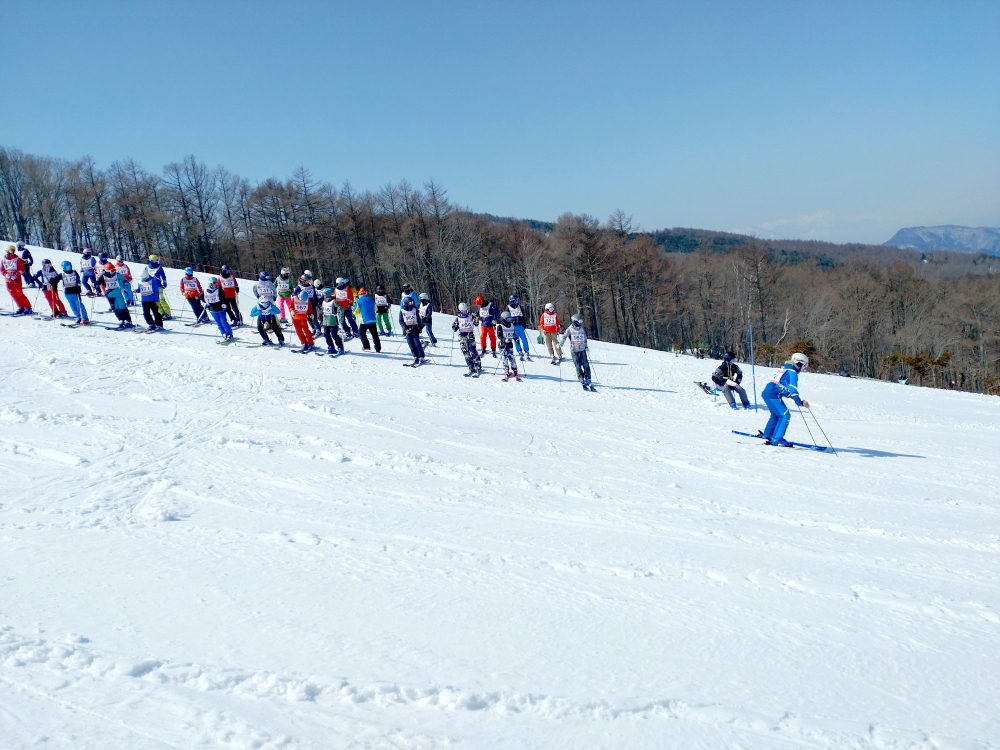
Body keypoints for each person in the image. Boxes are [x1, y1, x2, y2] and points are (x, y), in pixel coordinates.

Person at [760, 353, 810, 447]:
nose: (803, 369)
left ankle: (768, 435)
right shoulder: (792, 372)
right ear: (799, 364)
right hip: (772, 395)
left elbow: (782, 387)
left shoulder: (784, 368)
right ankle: (777, 438)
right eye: (804, 366)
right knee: (785, 415)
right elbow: (792, 389)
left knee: (776, 415)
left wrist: (794, 398)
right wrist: (799, 402)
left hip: (769, 393)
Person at [560, 314, 594, 391]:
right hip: (574, 350)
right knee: (578, 365)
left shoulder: (581, 329)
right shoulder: (570, 329)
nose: (580, 324)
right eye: (579, 322)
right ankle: (581, 378)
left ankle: (588, 378)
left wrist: (586, 347)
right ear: (575, 322)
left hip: (582, 349)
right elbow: (564, 336)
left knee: (586, 364)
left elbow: (584, 338)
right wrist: (561, 344)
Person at [451, 302, 482, 377]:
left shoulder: (471, 316)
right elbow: (454, 327)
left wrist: (476, 318)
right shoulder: (458, 318)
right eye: (463, 311)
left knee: (473, 351)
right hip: (462, 338)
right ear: (460, 311)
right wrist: (454, 326)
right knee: (466, 354)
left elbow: (476, 323)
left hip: (470, 337)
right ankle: (471, 367)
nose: (465, 313)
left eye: (466, 311)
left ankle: (478, 366)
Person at [100, 263, 134, 328]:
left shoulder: (117, 275)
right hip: (109, 294)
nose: (114, 271)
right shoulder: (103, 276)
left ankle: (128, 320)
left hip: (118, 293)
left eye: (114, 270)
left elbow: (124, 280)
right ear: (107, 271)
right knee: (114, 308)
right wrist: (99, 289)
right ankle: (121, 320)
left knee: (122, 306)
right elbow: (99, 283)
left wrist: (126, 283)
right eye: (112, 270)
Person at [2, 244, 33, 314]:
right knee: (12, 293)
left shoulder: (18, 259)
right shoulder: (3, 260)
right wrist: (6, 275)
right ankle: (21, 307)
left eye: (13, 250)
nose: (12, 252)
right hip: (8, 279)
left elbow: (22, 269)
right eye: (11, 250)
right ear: (7, 251)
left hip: (16, 279)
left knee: (19, 293)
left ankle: (28, 307)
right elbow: (2, 269)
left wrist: (16, 275)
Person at [60, 261, 89, 325]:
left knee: (79, 305)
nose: (68, 268)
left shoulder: (74, 272)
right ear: (63, 267)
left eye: (69, 267)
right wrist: (53, 281)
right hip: (67, 291)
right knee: (72, 305)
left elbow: (78, 280)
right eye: (67, 267)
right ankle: (78, 317)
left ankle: (84, 318)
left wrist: (78, 287)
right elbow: (57, 279)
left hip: (75, 291)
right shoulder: (62, 274)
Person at [399, 297, 426, 365]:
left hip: (415, 329)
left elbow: (419, 319)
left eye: (412, 303)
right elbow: (401, 321)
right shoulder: (402, 311)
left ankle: (421, 357)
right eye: (410, 303)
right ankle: (415, 357)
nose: (412, 304)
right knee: (411, 344)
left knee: (417, 343)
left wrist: (420, 327)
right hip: (408, 330)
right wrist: (405, 328)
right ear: (406, 303)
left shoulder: (415, 310)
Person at [353, 287, 381, 352]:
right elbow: (376, 309)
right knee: (374, 334)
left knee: (361, 333)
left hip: (364, 321)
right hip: (373, 320)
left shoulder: (359, 301)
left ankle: (366, 346)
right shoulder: (371, 300)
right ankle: (378, 348)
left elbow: (355, 312)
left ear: (359, 294)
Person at [319, 287, 346, 354]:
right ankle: (331, 347)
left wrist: (341, 316)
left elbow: (340, 308)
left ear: (328, 294)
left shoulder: (334, 301)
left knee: (334, 335)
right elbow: (323, 310)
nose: (324, 295)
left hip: (333, 321)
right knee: (326, 335)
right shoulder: (323, 301)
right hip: (325, 321)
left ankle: (340, 347)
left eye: (324, 294)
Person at [496, 311, 521, 381]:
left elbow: (513, 334)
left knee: (512, 358)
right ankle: (506, 370)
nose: (510, 320)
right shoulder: (500, 326)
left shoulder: (512, 325)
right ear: (504, 319)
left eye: (510, 319)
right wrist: (504, 339)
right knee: (504, 358)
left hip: (510, 344)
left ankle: (515, 370)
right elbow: (499, 336)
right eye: (508, 319)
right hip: (502, 345)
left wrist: (516, 339)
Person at [146, 255, 172, 319]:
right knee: (156, 301)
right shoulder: (147, 267)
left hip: (158, 286)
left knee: (161, 300)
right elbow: (144, 275)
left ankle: (168, 313)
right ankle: (161, 312)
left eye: (156, 260)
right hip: (151, 286)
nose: (155, 262)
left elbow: (163, 275)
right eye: (153, 261)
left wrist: (164, 282)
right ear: (150, 261)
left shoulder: (159, 267)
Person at [506, 294, 531, 360]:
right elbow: (506, 317)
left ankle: (526, 351)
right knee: (516, 339)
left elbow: (523, 316)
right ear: (512, 301)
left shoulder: (519, 307)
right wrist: (510, 320)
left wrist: (524, 323)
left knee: (524, 339)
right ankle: (519, 351)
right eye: (516, 300)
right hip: (513, 326)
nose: (517, 302)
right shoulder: (508, 307)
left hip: (520, 325)